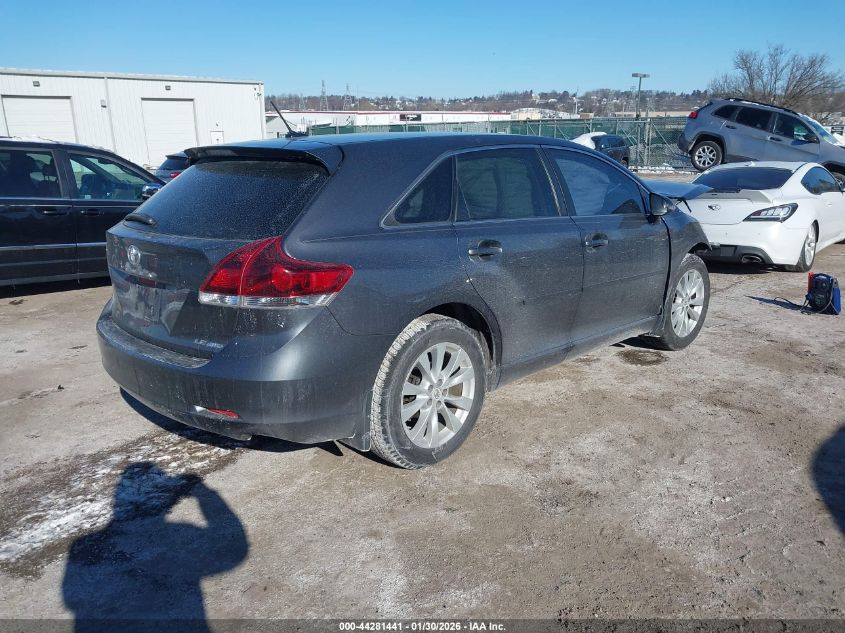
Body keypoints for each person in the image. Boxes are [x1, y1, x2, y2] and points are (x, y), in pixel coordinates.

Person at [62, 462, 248, 632]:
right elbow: (235, 550)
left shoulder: (83, 546)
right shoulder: (180, 534)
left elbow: (73, 599)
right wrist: (204, 494)